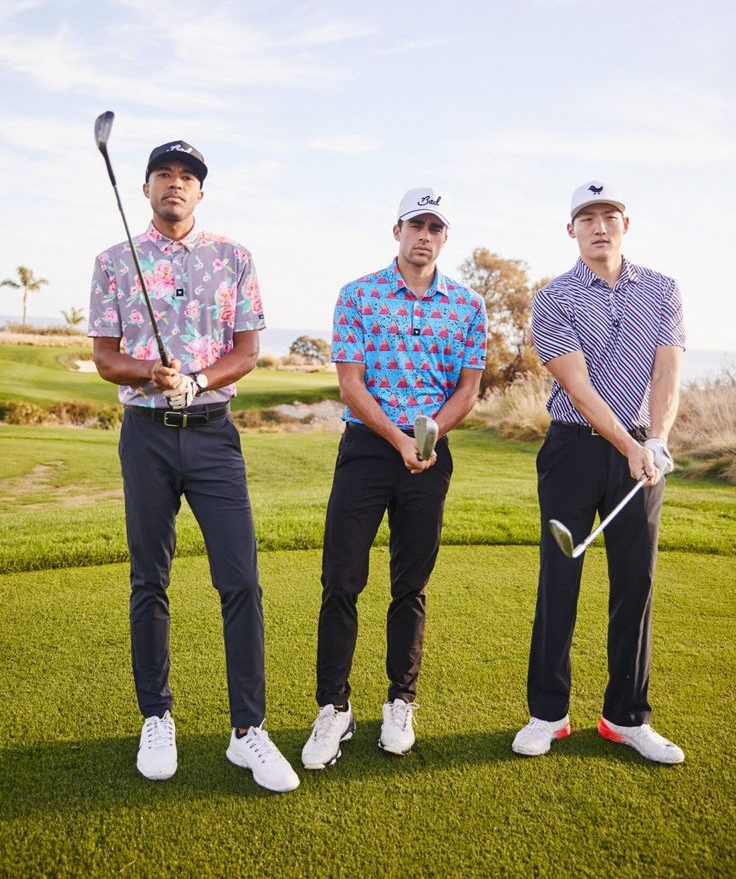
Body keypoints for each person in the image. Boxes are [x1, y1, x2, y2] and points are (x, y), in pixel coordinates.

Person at [88, 140, 299, 792]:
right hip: (145, 435)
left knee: (240, 580)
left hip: (213, 436)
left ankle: (248, 732)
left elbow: (248, 350)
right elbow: (104, 356)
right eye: (164, 175)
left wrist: (198, 379)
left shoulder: (234, 257)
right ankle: (157, 717)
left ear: (200, 193)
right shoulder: (114, 262)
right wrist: (148, 373)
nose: (176, 184)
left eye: (188, 177)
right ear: (148, 189)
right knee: (149, 578)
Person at [301, 188, 488, 769]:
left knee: (410, 585)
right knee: (341, 580)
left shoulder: (467, 305)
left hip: (430, 458)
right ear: (397, 230)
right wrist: (400, 440)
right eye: (415, 225)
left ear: (444, 237)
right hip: (367, 448)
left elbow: (468, 389)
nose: (424, 235)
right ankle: (334, 708)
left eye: (435, 227)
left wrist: (426, 438)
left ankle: (399, 701)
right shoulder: (357, 295)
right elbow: (351, 385)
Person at [512, 180, 685, 765]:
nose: (599, 226)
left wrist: (655, 440)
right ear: (571, 230)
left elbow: (667, 373)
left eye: (609, 215)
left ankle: (625, 717)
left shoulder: (662, 289)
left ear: (625, 225)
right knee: (560, 576)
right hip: (572, 450)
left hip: (643, 451)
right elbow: (577, 386)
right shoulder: (552, 296)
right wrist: (629, 443)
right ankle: (548, 715)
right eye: (587, 218)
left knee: (635, 581)